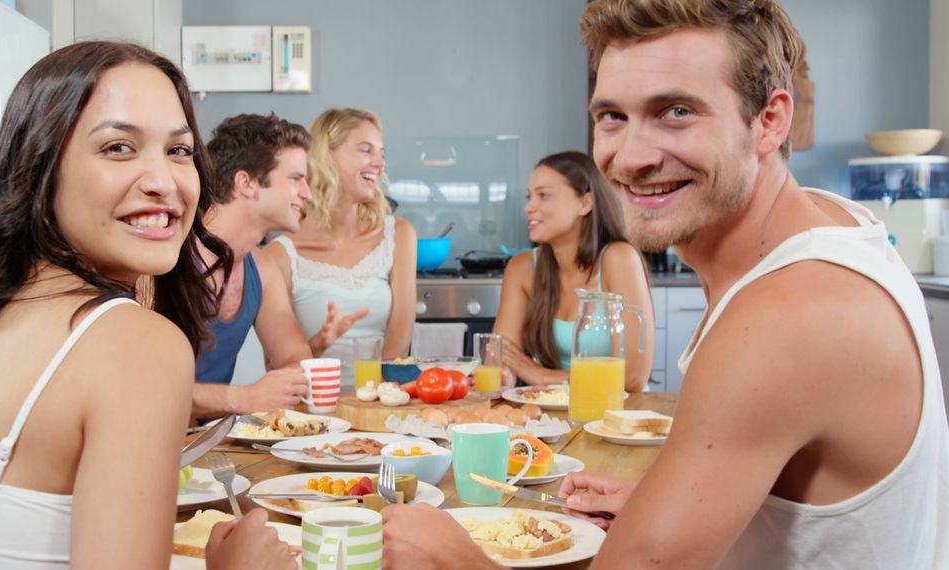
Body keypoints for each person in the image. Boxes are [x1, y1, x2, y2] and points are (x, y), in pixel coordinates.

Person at [382, 0, 949, 568]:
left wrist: (454, 558)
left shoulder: (787, 313)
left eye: (676, 111)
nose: (629, 157)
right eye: (612, 117)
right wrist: (666, 507)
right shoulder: (832, 222)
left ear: (770, 120)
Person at [0, 42, 295, 569]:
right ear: (40, 168)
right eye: (118, 148)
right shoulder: (136, 347)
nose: (164, 182)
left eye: (179, 151)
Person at [191, 113, 368, 418]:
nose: (307, 194)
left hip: (210, 442)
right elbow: (143, 387)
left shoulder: (262, 269)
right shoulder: (168, 264)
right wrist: (244, 398)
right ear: (246, 183)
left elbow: (294, 363)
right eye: (296, 179)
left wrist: (313, 354)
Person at [266, 108, 417, 386]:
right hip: (312, 411)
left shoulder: (399, 235)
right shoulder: (279, 256)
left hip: (379, 403)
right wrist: (321, 342)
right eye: (365, 150)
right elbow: (282, 366)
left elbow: (397, 349)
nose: (379, 163)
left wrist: (367, 406)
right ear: (326, 156)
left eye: (382, 153)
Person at [493, 151, 654, 391]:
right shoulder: (522, 268)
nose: (529, 207)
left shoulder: (619, 258)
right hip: (553, 414)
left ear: (585, 203)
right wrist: (502, 375)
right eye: (529, 196)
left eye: (543, 195)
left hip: (618, 415)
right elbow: (501, 356)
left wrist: (542, 375)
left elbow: (633, 378)